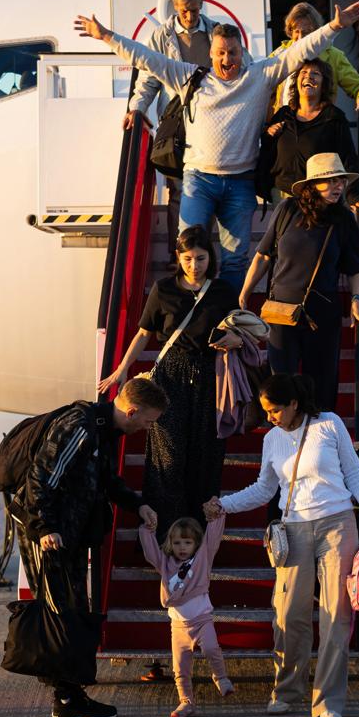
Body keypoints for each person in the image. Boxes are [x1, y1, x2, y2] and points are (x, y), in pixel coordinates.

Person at [74, 0, 359, 293]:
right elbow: (148, 58)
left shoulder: (259, 76)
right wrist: (106, 36)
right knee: (188, 251)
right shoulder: (191, 78)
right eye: (221, 53)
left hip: (239, 183)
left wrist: (336, 26)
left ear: (243, 53)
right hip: (199, 180)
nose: (227, 60)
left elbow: (301, 51)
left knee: (235, 260)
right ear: (210, 54)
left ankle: (228, 320)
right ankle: (191, 314)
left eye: (233, 53)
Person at [203, 373, 359, 717]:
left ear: (293, 404)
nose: (270, 417)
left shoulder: (329, 425)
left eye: (275, 410)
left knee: (337, 617)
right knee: (289, 615)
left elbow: (353, 472)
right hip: (294, 530)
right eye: (265, 411)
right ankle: (287, 691)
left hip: (338, 524)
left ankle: (328, 701)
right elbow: (263, 489)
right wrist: (225, 504)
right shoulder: (272, 439)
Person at [7, 378, 167, 717]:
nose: (148, 427)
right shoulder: (79, 428)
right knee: (59, 611)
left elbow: (106, 480)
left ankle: (70, 693)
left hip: (70, 534)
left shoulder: (103, 431)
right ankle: (64, 699)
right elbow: (40, 479)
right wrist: (45, 528)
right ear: (132, 410)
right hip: (49, 534)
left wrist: (136, 505)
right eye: (149, 420)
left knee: (74, 608)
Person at [99, 225, 241, 538]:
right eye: (188, 258)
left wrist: (234, 338)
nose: (195, 265)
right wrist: (123, 368)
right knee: (169, 456)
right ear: (178, 257)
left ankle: (199, 537)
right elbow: (144, 333)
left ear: (210, 257)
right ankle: (165, 535)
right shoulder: (163, 290)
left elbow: (243, 329)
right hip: (170, 377)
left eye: (201, 258)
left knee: (206, 455)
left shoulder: (223, 292)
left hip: (210, 377)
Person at [239, 153, 359, 413]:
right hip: (281, 310)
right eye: (330, 181)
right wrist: (245, 293)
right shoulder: (287, 210)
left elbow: (355, 268)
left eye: (341, 181)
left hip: (322, 311)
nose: (339, 187)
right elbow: (264, 255)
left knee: (320, 383)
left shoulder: (343, 218)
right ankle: (285, 441)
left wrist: (357, 300)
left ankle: (317, 442)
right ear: (312, 185)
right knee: (280, 382)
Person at [125, 0, 216, 247]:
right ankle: (178, 251)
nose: (190, 16)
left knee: (206, 186)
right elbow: (148, 79)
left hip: (208, 119)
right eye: (185, 11)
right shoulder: (160, 37)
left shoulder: (214, 32)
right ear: (175, 9)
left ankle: (203, 249)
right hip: (175, 121)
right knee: (178, 189)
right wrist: (136, 109)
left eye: (195, 10)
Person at [137, 515, 233, 717]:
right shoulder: (165, 563)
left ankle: (221, 677)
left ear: (196, 543)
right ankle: (186, 702)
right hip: (179, 626)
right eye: (177, 542)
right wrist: (147, 529)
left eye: (188, 543)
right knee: (179, 667)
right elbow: (151, 551)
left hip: (202, 620)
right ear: (170, 543)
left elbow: (213, 536)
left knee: (211, 649)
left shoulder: (203, 558)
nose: (182, 547)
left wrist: (217, 515)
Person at [261, 57, 359, 200]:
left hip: (317, 195)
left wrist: (354, 196)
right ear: (296, 82)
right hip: (282, 194)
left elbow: (348, 158)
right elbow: (265, 149)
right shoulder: (284, 114)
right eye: (304, 72)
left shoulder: (333, 118)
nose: (309, 76)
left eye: (316, 73)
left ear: (324, 84)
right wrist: (269, 134)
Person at [269, 3, 359, 120]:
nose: (300, 38)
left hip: (318, 130)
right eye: (296, 31)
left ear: (317, 32)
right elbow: (261, 89)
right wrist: (269, 126)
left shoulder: (333, 56)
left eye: (306, 33)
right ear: (290, 31)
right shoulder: (280, 54)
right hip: (284, 130)